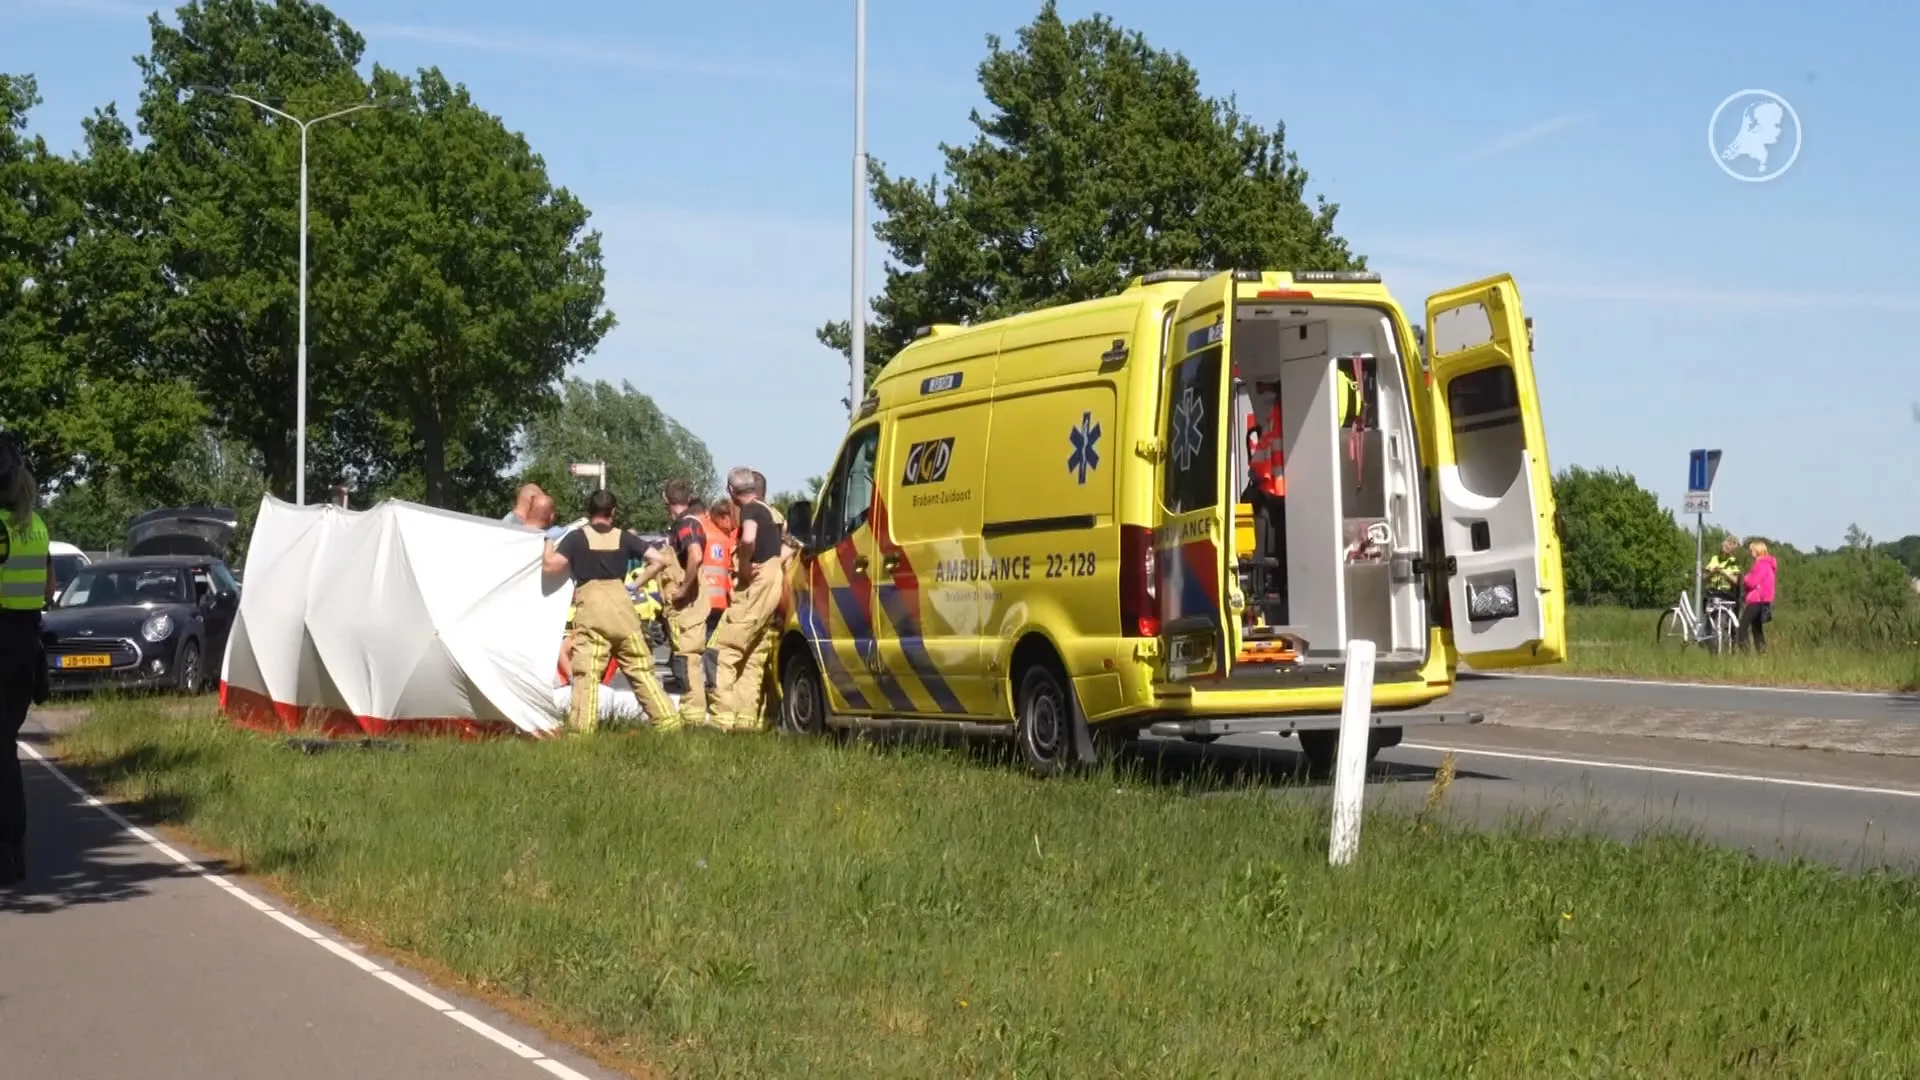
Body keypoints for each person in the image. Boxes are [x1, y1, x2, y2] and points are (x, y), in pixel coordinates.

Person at [541, 489, 678, 734]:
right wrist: (636, 584)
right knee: (641, 668)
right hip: (622, 609)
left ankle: (582, 731)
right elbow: (659, 560)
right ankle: (668, 722)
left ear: (589, 512)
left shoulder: (576, 538)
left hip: (592, 610)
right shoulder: (624, 537)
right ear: (613, 512)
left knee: (586, 674)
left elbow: (551, 566)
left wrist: (549, 541)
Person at [0, 435, 52, 887]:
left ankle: (8, 847)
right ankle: (13, 846)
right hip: (24, 645)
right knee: (6, 746)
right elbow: (48, 589)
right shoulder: (35, 526)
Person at [710, 468, 786, 731]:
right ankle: (746, 720)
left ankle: (722, 719)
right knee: (752, 655)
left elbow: (748, 538)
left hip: (757, 586)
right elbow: (786, 545)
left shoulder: (751, 510)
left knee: (726, 651)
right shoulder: (772, 512)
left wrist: (743, 565)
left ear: (731, 490)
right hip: (772, 584)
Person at [655, 480, 715, 727]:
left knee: (688, 659)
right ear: (689, 498)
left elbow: (695, 555)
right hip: (685, 606)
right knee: (684, 657)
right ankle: (692, 713)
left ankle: (693, 717)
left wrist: (683, 589)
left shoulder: (686, 525)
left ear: (665, 500)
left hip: (688, 605)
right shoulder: (685, 523)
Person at [1736, 539, 1777, 654]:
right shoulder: (1768, 564)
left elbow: (1752, 582)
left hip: (1756, 600)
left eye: (1752, 550)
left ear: (1758, 550)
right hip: (1763, 600)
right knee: (1756, 629)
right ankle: (1762, 654)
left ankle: (1745, 653)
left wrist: (1745, 577)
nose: (1750, 553)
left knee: (1742, 627)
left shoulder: (1761, 564)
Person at [1704, 535, 1743, 613]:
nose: (1724, 553)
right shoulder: (1714, 558)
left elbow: (1737, 581)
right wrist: (1713, 572)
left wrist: (1723, 572)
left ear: (1731, 551)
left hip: (1726, 595)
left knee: (1721, 617)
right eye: (1722, 550)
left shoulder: (1733, 561)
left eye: (1727, 550)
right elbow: (1704, 577)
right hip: (1712, 593)